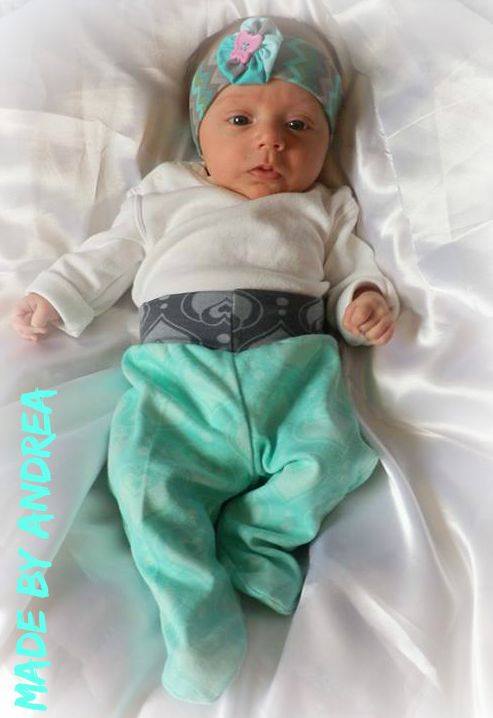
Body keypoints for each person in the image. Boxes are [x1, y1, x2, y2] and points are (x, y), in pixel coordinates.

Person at [10, 15, 400, 704]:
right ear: (200, 133)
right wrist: (57, 293)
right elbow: (109, 255)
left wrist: (361, 303)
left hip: (292, 377)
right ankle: (197, 622)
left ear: (327, 142)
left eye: (299, 126)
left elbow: (352, 273)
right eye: (240, 119)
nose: (270, 140)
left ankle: (256, 538)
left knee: (339, 458)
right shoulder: (164, 194)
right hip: (176, 385)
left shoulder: (324, 208)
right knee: (146, 489)